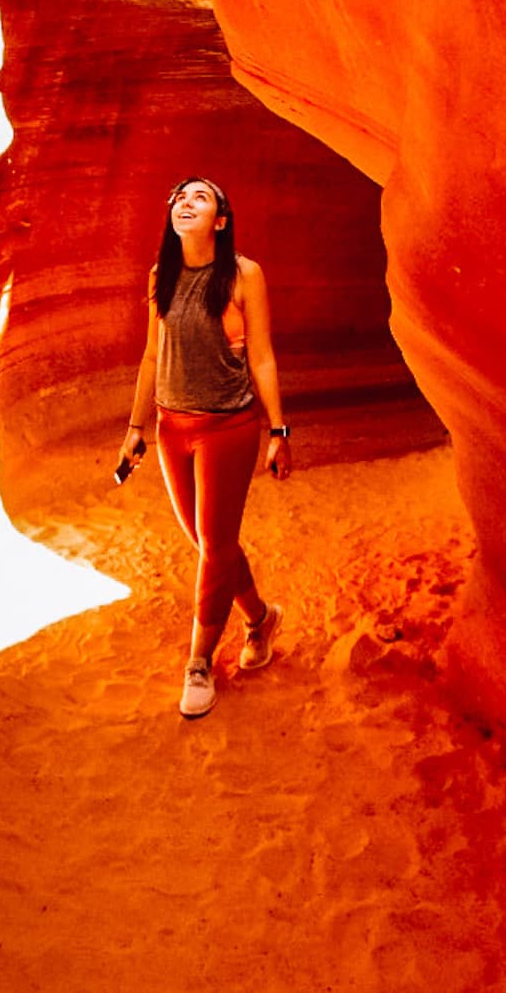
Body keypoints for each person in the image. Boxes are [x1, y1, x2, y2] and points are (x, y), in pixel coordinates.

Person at [120, 177, 291, 717]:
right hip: (172, 427)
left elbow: (261, 355)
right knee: (206, 542)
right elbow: (152, 357)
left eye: (200, 197)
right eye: (179, 196)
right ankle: (261, 619)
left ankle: (198, 663)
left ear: (220, 220)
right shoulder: (160, 276)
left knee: (215, 547)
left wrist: (279, 430)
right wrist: (135, 429)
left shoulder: (244, 274)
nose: (185, 202)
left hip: (228, 427)